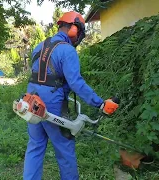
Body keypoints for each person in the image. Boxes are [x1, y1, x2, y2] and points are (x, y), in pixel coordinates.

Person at [23, 11, 119, 180]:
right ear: (74, 30)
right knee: (64, 147)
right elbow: (76, 83)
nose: (78, 38)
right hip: (52, 103)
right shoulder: (67, 50)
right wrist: (100, 103)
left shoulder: (39, 46)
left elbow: (38, 75)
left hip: (31, 99)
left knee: (35, 146)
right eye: (79, 33)